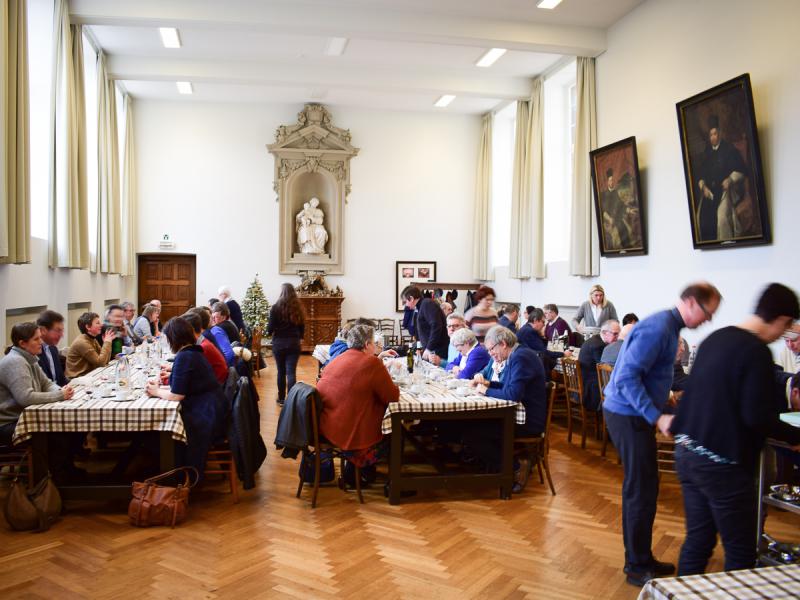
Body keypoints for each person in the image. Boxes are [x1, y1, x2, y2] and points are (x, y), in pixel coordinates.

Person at [671, 283, 800, 575]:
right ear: (781, 320)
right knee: (740, 550)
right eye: (788, 326)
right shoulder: (757, 353)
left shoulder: (715, 339)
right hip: (722, 466)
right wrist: (795, 437)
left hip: (687, 453)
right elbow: (757, 417)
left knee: (698, 542)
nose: (785, 334)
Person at [602, 282, 721, 587]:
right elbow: (626, 378)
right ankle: (636, 567)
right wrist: (657, 416)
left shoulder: (668, 327)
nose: (708, 320)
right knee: (640, 490)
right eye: (708, 313)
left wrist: (663, 400)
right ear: (692, 303)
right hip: (626, 414)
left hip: (633, 412)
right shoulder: (659, 328)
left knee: (646, 488)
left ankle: (642, 558)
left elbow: (647, 374)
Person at [467, 326, 547, 484]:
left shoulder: (520, 357)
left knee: (473, 435)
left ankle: (515, 468)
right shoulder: (517, 354)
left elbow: (512, 395)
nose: (490, 354)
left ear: (503, 343)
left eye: (491, 349)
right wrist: (489, 384)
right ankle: (495, 466)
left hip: (528, 422)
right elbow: (507, 387)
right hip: (518, 416)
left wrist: (485, 391)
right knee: (472, 426)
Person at [0, 323, 80, 481]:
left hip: (23, 417)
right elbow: (26, 398)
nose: (41, 342)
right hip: (8, 423)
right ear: (22, 343)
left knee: (69, 429)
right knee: (58, 434)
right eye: (36, 339)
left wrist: (60, 391)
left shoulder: (29, 358)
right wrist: (60, 396)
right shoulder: (15, 362)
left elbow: (47, 383)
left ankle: (64, 473)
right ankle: (47, 482)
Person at [146, 318, 223, 479]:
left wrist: (156, 391)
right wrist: (162, 388)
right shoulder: (192, 352)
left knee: (160, 429)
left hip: (204, 414)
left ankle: (173, 474)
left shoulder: (185, 356)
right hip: (212, 407)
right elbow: (185, 387)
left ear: (174, 338)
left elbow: (176, 395)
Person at [317, 324, 399, 469]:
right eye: (375, 343)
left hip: (328, 428)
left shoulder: (337, 359)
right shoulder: (371, 363)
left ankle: (356, 472)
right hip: (352, 438)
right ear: (367, 344)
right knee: (397, 434)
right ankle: (393, 483)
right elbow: (392, 396)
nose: (376, 347)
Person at [695, 115, 749, 242]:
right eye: (711, 135)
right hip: (710, 193)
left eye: (715, 133)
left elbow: (741, 170)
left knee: (721, 218)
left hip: (726, 190)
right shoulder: (707, 153)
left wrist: (730, 179)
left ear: (720, 133)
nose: (713, 137)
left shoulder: (729, 150)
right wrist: (703, 187)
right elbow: (701, 175)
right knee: (699, 218)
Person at [268, 283, 305, 404]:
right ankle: (291, 400)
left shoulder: (275, 308)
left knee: (281, 372)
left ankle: (281, 398)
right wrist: (300, 337)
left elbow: (270, 329)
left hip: (279, 343)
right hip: (294, 343)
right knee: (291, 372)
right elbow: (302, 327)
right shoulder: (298, 308)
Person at [579, 319, 621, 411]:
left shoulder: (596, 340)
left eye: (618, 334)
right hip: (591, 388)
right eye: (614, 334)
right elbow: (604, 369)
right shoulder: (598, 346)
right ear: (604, 332)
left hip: (586, 382)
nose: (617, 338)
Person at [516, 307, 572, 374]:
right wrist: (563, 354)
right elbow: (544, 352)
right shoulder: (530, 331)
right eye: (543, 322)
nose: (544, 325)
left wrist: (541, 335)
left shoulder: (526, 327)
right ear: (535, 320)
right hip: (527, 367)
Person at [401, 285, 449, 361]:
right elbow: (422, 332)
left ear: (411, 298)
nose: (406, 305)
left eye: (405, 302)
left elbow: (436, 326)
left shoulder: (427, 304)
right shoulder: (421, 306)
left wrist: (429, 348)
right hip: (432, 349)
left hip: (437, 350)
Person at [181, 311, 228, 385]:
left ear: (191, 329)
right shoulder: (203, 340)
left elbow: (195, 375)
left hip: (215, 385)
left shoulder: (203, 346)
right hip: (215, 382)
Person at [66, 312, 116, 378]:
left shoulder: (92, 339)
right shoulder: (82, 342)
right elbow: (101, 363)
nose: (101, 325)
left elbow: (105, 361)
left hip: (88, 376)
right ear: (88, 327)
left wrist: (107, 343)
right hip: (77, 379)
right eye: (97, 323)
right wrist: (107, 342)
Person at [36, 309, 69, 386]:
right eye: (58, 330)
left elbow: (61, 380)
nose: (62, 335)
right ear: (43, 330)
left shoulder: (53, 349)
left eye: (62, 331)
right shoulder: (34, 352)